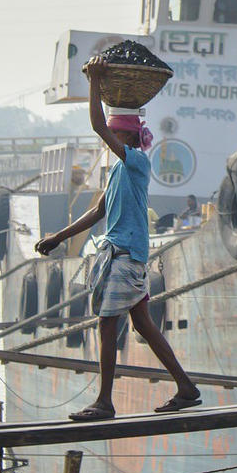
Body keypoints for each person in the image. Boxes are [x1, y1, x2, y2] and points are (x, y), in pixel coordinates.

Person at [35, 56, 201, 421]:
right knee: (142, 323)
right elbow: (98, 212)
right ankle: (186, 388)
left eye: (114, 133)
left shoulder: (137, 161)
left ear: (124, 136)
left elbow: (97, 125)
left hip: (126, 256)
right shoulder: (117, 172)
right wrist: (57, 238)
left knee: (107, 323)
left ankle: (104, 402)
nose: (109, 137)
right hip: (123, 254)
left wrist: (94, 81)